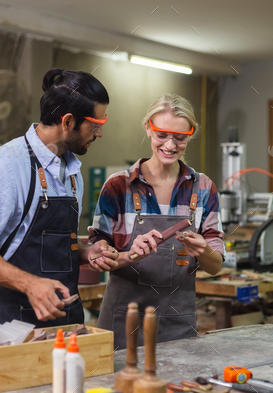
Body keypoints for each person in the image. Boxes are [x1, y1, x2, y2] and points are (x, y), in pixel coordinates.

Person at [0, 69, 119, 327]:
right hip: (14, 326)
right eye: (95, 126)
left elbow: (49, 250)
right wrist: (29, 284)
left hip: (66, 323)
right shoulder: (7, 164)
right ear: (67, 122)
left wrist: (85, 253)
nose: (99, 134)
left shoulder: (73, 172)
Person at [89, 94, 224, 348]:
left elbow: (215, 266)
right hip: (123, 324)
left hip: (177, 324)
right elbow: (97, 259)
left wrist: (203, 250)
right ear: (148, 129)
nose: (170, 145)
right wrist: (130, 255)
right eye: (162, 135)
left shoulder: (204, 188)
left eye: (180, 137)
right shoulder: (118, 186)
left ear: (190, 135)